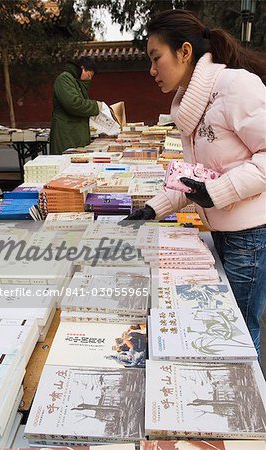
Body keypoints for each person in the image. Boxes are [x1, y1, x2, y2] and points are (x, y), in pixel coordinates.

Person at [122, 9, 266, 358]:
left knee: (241, 336)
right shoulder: (192, 103)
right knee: (223, 329)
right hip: (222, 231)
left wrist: (216, 193)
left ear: (185, 52)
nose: (152, 70)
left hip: (250, 238)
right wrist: (152, 208)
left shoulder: (236, 86)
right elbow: (195, 177)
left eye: (156, 58)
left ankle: (250, 409)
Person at [50, 56, 102, 154]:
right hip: (67, 136)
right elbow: (73, 104)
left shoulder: (77, 82)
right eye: (89, 75)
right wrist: (96, 106)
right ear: (82, 68)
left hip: (75, 134)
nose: (89, 79)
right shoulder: (64, 79)